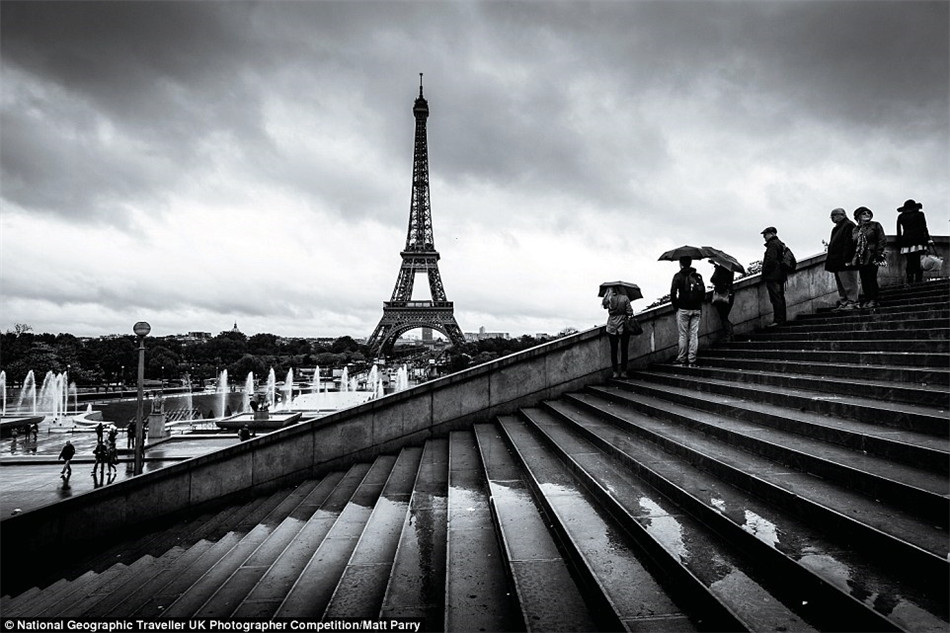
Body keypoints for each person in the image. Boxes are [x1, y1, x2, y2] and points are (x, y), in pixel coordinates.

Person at [670, 256, 705, 366]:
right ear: (690, 263)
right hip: (696, 309)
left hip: (683, 308)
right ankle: (692, 358)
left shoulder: (678, 276)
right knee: (694, 334)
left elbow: (673, 293)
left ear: (680, 263)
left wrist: (676, 307)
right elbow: (702, 293)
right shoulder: (697, 276)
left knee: (683, 334)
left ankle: (681, 357)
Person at [851, 207, 886, 308]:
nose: (867, 214)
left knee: (872, 277)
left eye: (868, 213)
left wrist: (878, 253)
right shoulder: (855, 229)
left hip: (872, 254)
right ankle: (867, 299)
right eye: (863, 213)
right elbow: (853, 243)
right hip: (861, 257)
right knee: (864, 278)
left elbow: (882, 239)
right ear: (858, 217)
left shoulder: (875, 225)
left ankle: (874, 300)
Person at [826, 208, 859, 311]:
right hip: (837, 261)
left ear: (842, 215)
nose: (832, 218)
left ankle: (852, 302)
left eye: (834, 216)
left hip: (845, 261)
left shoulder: (849, 225)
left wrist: (848, 259)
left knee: (849, 283)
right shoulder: (838, 227)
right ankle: (844, 302)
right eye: (832, 216)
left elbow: (850, 244)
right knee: (842, 284)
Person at [895, 199, 933, 284]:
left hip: (906, 241)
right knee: (919, 260)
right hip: (919, 240)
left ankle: (910, 279)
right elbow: (924, 227)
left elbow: (899, 231)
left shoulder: (901, 216)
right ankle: (918, 279)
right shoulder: (919, 214)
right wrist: (928, 239)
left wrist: (899, 242)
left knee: (910, 261)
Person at [602, 285, 634, 378]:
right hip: (623, 326)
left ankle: (615, 372)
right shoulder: (625, 298)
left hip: (611, 326)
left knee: (613, 350)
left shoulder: (608, 298)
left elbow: (605, 307)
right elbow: (630, 312)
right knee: (624, 350)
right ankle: (624, 372)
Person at [760, 227, 788, 326]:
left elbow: (770, 260)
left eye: (765, 234)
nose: (764, 237)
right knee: (780, 297)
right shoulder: (780, 243)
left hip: (773, 276)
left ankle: (778, 320)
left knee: (776, 298)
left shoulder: (772, 244)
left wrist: (764, 273)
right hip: (780, 275)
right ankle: (782, 319)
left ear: (772, 234)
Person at [709, 262, 735, 341]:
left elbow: (713, 279)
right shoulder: (731, 270)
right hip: (730, 294)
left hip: (721, 294)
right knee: (725, 315)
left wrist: (716, 268)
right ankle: (730, 333)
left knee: (723, 316)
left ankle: (728, 334)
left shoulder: (719, 269)